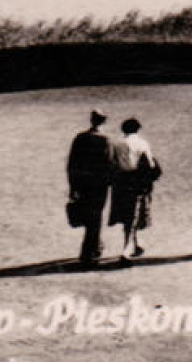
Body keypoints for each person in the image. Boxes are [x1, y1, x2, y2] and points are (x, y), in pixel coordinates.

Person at [66, 110, 116, 267]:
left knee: (88, 215)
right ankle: (88, 251)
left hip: (82, 183)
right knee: (96, 216)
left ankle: (95, 246)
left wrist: (73, 186)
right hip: (99, 185)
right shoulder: (106, 141)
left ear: (91, 120)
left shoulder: (80, 138)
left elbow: (72, 164)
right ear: (104, 122)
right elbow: (110, 165)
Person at [109, 118, 161, 262]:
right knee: (134, 214)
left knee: (128, 213)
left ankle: (136, 243)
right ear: (137, 129)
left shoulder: (117, 144)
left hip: (121, 182)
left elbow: (112, 163)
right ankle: (126, 250)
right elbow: (150, 164)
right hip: (137, 182)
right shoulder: (142, 143)